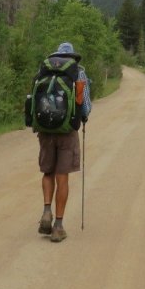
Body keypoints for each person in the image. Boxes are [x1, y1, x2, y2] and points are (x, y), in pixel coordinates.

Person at [36, 41, 91, 242]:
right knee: (62, 176)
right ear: (73, 57)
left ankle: (46, 212)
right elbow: (85, 106)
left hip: (45, 130)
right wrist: (83, 117)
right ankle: (58, 227)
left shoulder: (44, 70)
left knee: (47, 172)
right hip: (67, 131)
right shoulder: (79, 72)